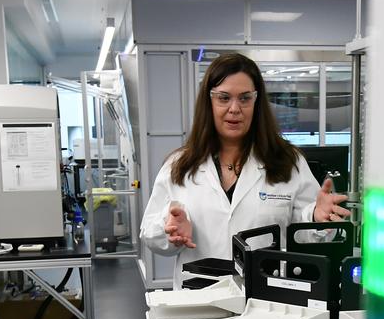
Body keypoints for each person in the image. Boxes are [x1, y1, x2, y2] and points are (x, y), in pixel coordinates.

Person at [140, 52, 350, 283]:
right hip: (198, 303)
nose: (234, 108)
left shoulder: (287, 162)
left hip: (265, 300)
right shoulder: (179, 166)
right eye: (223, 97)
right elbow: (150, 234)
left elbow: (305, 232)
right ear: (208, 102)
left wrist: (316, 217)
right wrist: (169, 230)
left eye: (244, 98)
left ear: (256, 102)